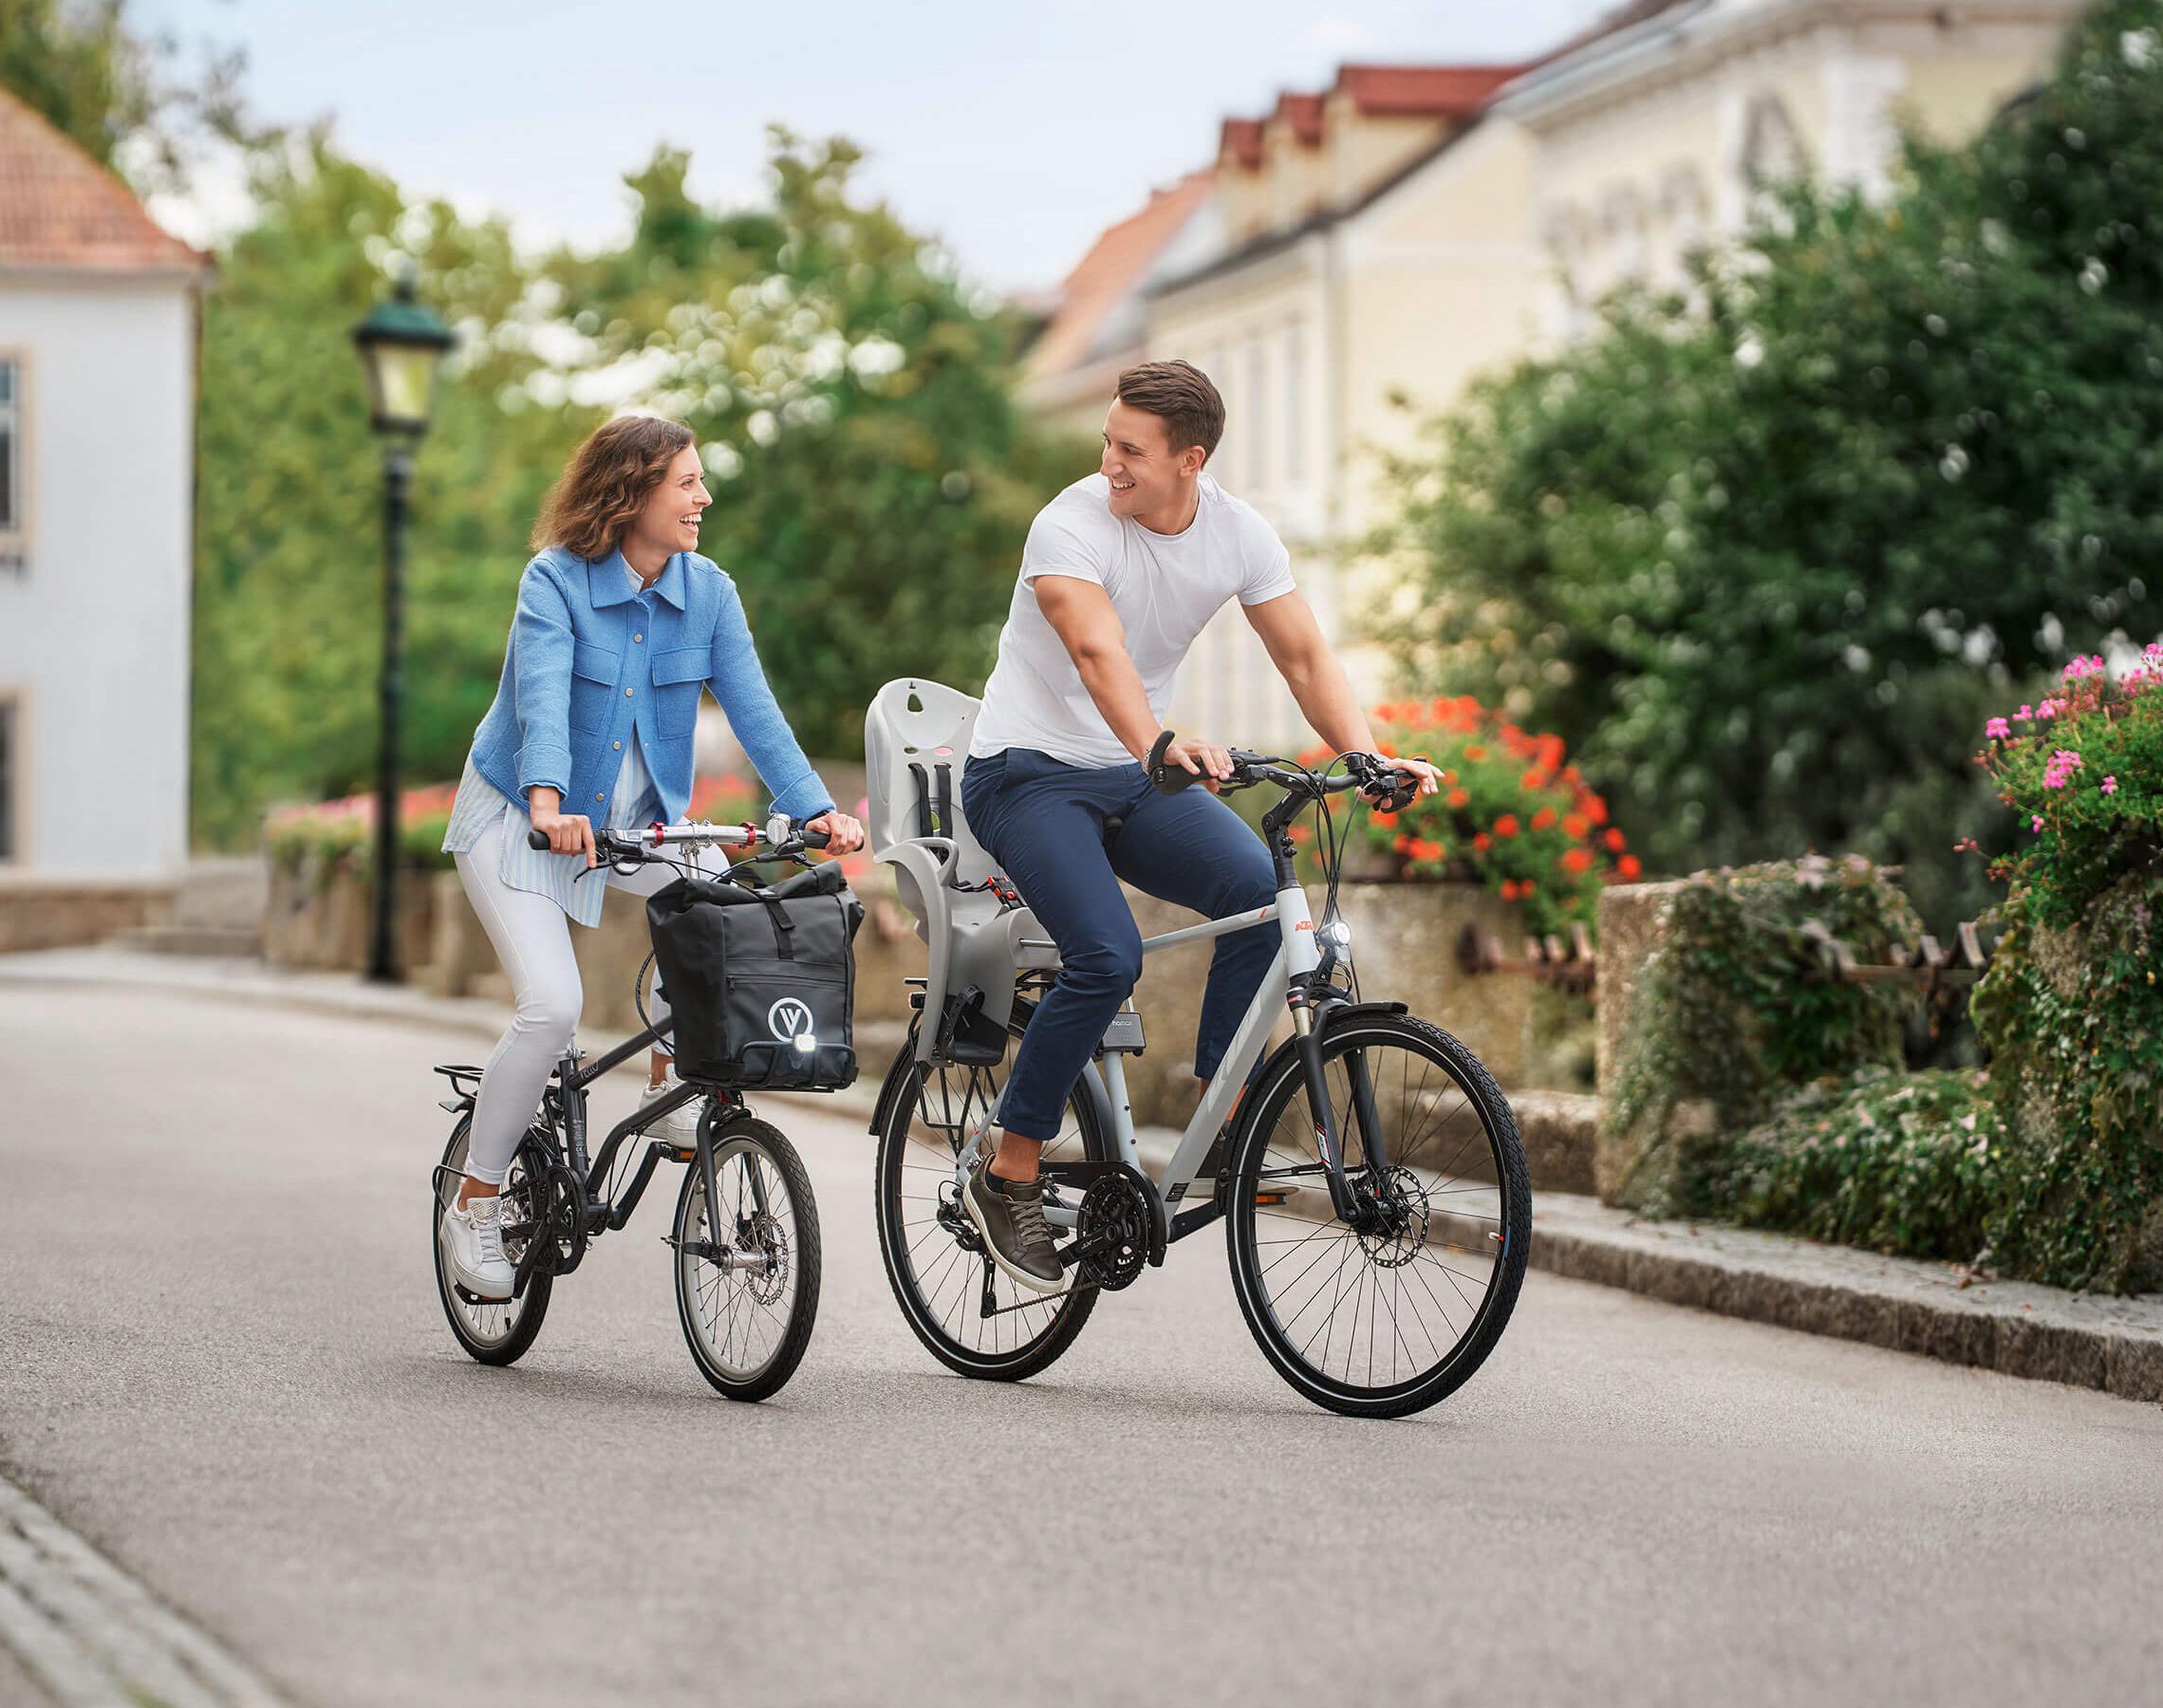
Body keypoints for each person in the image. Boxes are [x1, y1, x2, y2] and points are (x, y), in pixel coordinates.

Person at [955, 360, 1441, 1295]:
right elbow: (1098, 654)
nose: (1110, 464)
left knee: (1262, 893)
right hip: (1027, 774)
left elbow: (1303, 655)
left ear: (1192, 458)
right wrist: (1159, 742)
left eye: (1130, 450)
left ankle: (1225, 1119)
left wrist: (1369, 754)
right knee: (1106, 955)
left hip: (1138, 775)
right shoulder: (1069, 525)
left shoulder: (1237, 533)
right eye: (1107, 441)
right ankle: (1009, 1166)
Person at [437, 414, 864, 1301]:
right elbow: (541, 696)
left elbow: (755, 711)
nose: (704, 497)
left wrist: (816, 808)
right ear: (631, 492)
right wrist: (549, 803)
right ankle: (475, 1197)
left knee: (722, 912)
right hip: (519, 816)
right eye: (687, 482)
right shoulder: (554, 581)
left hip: (632, 825)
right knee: (553, 1009)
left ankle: (672, 1077)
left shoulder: (708, 593)